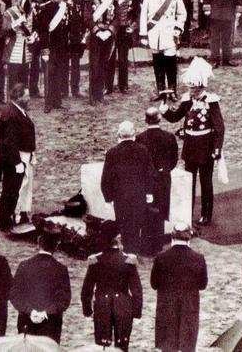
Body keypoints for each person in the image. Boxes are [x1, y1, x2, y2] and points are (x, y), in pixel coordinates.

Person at [163, 57, 225, 227]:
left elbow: (219, 128)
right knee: (189, 181)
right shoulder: (187, 100)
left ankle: (206, 214)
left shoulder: (211, 102)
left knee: (205, 182)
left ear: (201, 86)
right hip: (190, 146)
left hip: (205, 147)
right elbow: (176, 117)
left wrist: (217, 149)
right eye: (189, 87)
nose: (191, 90)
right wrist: (165, 111)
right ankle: (187, 212)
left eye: (193, 87)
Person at [81, 220, 144, 351]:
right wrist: (137, 313)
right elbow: (137, 290)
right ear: (118, 238)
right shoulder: (128, 260)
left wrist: (87, 311)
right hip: (123, 306)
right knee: (122, 346)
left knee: (102, 346)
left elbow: (87, 289)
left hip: (102, 306)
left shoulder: (95, 260)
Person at [150, 222, 208, 352]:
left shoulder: (161, 258)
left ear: (172, 237)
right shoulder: (198, 258)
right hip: (189, 307)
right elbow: (203, 285)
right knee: (187, 346)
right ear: (189, 238)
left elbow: (154, 284)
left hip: (167, 308)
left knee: (168, 347)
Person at [102, 120, 155, 256]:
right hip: (138, 194)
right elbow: (150, 173)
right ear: (134, 134)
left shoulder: (112, 153)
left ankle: (126, 250)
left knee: (123, 222)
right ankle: (134, 250)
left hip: (120, 196)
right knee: (137, 222)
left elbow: (107, 177)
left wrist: (108, 197)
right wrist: (149, 193)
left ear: (118, 134)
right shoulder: (143, 150)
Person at [10, 226, 72, 341]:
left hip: (26, 323)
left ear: (39, 241)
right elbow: (64, 300)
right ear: (56, 246)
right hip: (50, 327)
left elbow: (14, 295)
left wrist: (30, 311)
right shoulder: (61, 269)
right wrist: (45, 313)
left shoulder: (24, 265)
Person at [140, 0, 186, 99]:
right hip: (154, 33)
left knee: (170, 64)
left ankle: (172, 91)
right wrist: (143, 34)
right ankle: (161, 91)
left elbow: (182, 13)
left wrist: (178, 28)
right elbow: (143, 15)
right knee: (157, 64)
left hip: (169, 34)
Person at [137, 106, 180, 256]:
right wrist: (164, 170)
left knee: (146, 211)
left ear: (145, 120)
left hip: (146, 181)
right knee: (160, 212)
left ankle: (146, 245)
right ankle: (158, 244)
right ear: (160, 119)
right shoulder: (169, 137)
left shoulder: (140, 138)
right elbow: (174, 160)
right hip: (163, 180)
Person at [0, 83, 37, 232]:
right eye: (27, 96)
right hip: (16, 158)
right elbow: (9, 141)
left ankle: (20, 215)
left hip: (24, 155)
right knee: (11, 190)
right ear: (19, 98)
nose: (29, 98)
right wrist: (17, 162)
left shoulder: (18, 110)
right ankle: (6, 221)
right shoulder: (10, 114)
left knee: (22, 188)